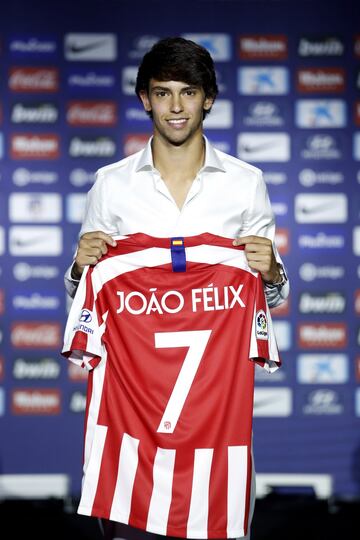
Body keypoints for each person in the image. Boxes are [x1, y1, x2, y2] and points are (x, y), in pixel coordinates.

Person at [64, 37, 289, 540]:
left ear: (208, 97)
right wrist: (80, 269)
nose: (175, 107)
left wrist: (272, 275)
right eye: (163, 93)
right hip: (132, 423)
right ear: (145, 98)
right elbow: (92, 300)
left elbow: (264, 301)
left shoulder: (245, 183)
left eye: (188, 93)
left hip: (214, 421)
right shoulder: (111, 184)